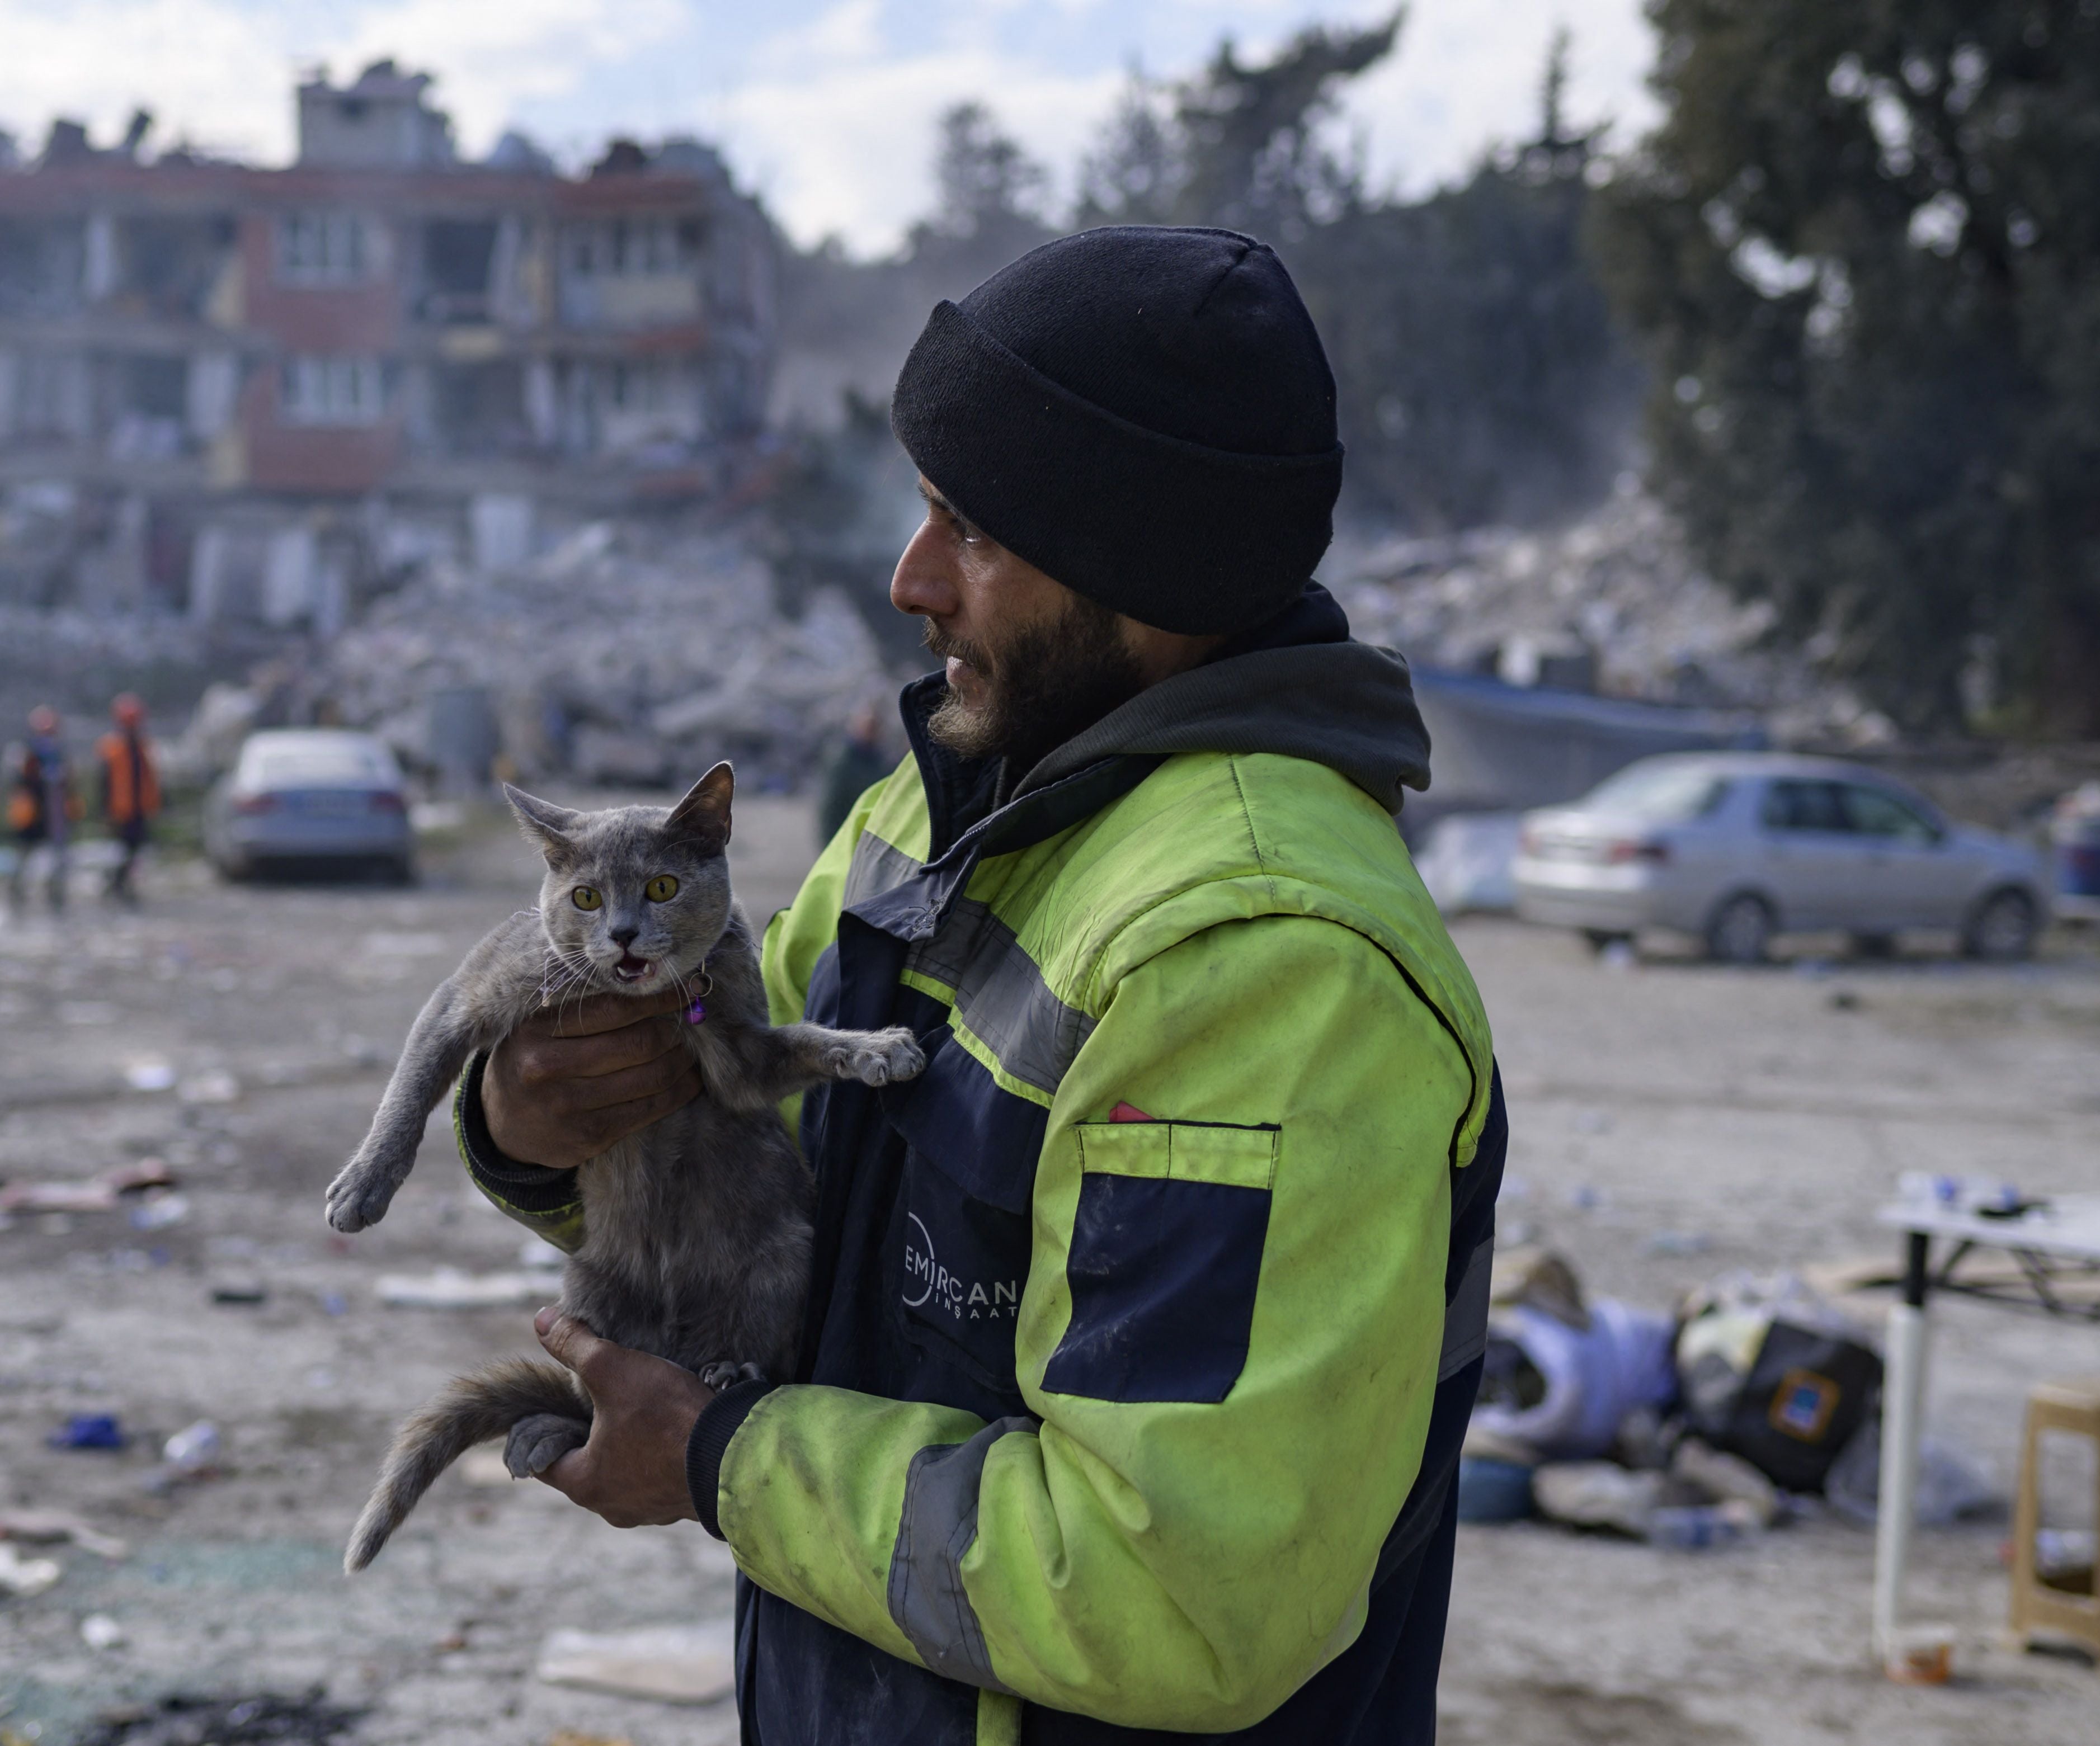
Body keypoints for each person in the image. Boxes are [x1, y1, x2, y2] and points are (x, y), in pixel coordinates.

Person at [455, 228, 1506, 1744]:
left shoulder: (1265, 956)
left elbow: (1170, 1592)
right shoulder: (946, 808)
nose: (908, 579)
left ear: (1148, 568)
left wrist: (717, 1459)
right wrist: (542, 1131)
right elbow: (754, 1150)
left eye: (973, 528)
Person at [4, 706, 73, 914]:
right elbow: (18, 782)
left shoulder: (59, 754)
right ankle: (16, 891)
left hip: (54, 815)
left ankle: (55, 893)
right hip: (32, 816)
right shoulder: (24, 753)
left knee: (58, 857)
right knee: (25, 855)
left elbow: (69, 783)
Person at [96, 693, 161, 905]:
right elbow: (103, 783)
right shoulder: (112, 747)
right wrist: (105, 811)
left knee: (135, 849)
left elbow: (150, 778)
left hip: (139, 808)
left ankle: (121, 883)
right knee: (120, 850)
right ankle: (116, 884)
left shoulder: (142, 746)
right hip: (120, 810)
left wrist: (156, 803)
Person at [813, 700, 896, 847]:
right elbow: (831, 808)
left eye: (875, 727)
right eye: (868, 726)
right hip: (845, 837)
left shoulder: (878, 760)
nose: (872, 731)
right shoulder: (842, 762)